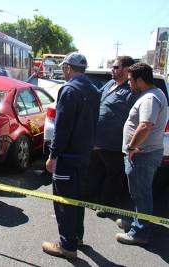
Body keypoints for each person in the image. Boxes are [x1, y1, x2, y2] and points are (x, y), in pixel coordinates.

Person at [43, 52, 100, 259]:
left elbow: (62, 128)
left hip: (68, 156)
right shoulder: (93, 90)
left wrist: (53, 156)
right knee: (77, 197)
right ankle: (76, 237)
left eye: (63, 68)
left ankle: (67, 245)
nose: (63, 72)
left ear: (68, 68)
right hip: (85, 155)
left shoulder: (69, 90)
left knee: (64, 200)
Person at [115, 63, 167, 245]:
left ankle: (141, 232)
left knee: (142, 193)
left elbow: (145, 125)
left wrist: (131, 147)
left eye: (130, 80)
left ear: (140, 80)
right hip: (144, 153)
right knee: (138, 192)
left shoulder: (150, 98)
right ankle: (137, 221)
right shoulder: (152, 95)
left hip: (143, 155)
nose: (129, 83)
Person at [87, 56, 138, 217]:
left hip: (114, 144)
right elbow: (97, 98)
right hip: (96, 141)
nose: (112, 70)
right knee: (95, 171)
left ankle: (107, 205)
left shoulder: (133, 91)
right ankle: (93, 199)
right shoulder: (109, 84)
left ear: (127, 69)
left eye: (116, 67)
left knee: (114, 175)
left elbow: (136, 119)